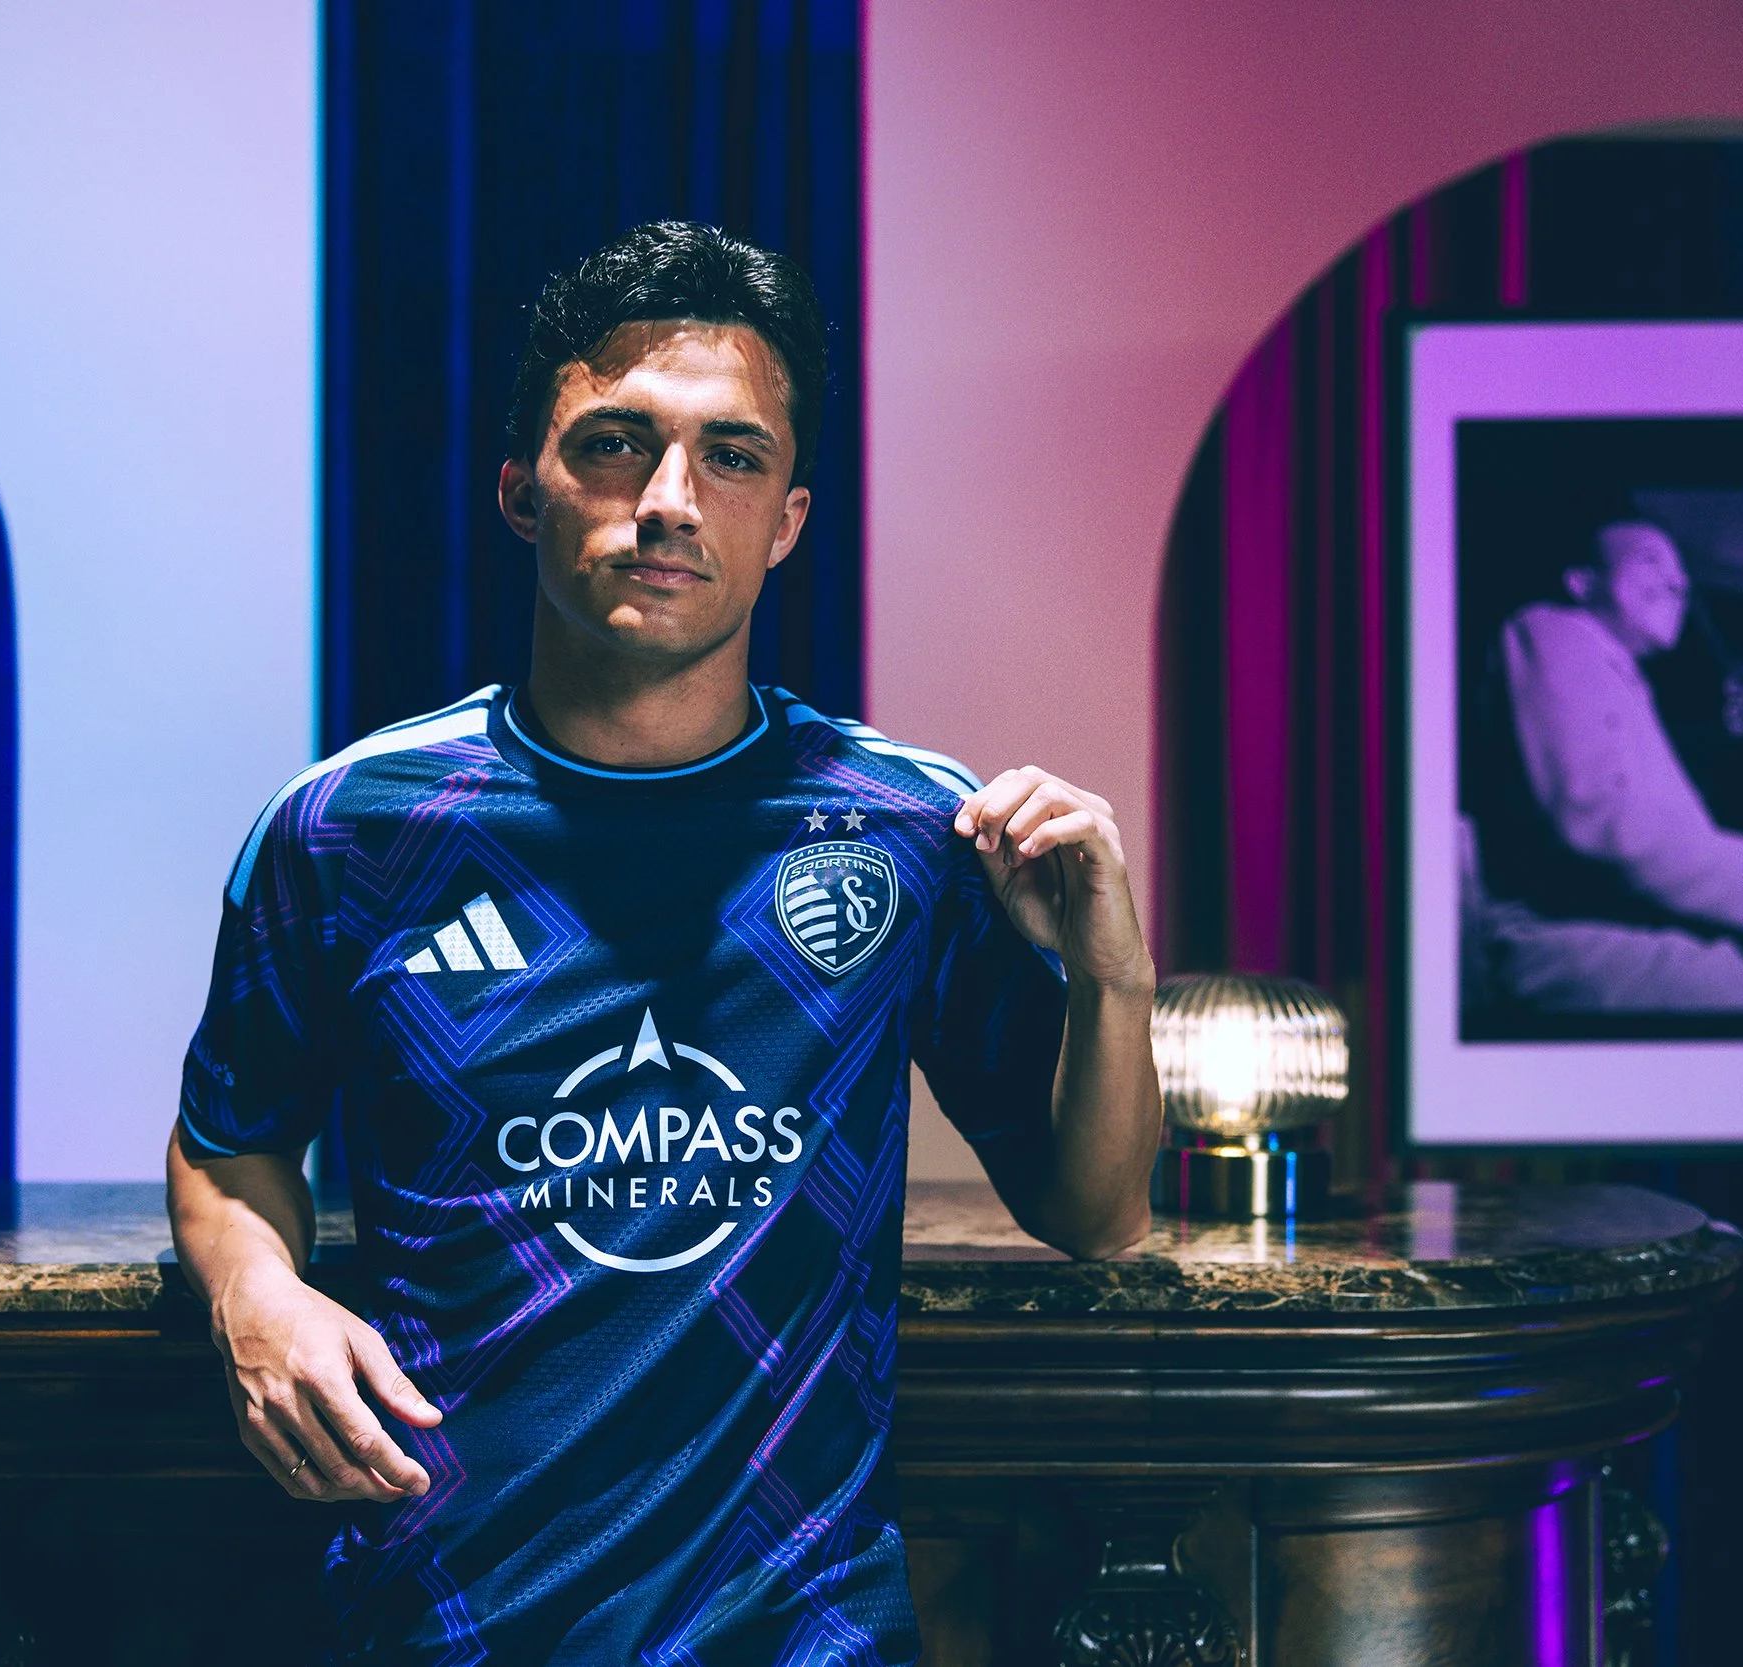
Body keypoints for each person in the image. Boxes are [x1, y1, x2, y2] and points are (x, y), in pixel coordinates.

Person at [165, 221, 1161, 1663]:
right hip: (445, 1616)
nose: (671, 502)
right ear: (522, 490)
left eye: (732, 457)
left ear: (790, 518)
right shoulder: (351, 829)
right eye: (616, 446)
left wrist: (1112, 975)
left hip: (804, 1625)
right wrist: (257, 1291)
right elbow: (225, 1139)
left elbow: (1097, 1212)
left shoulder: (905, 829)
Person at [1467, 519, 1743, 1013]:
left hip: (1632, 926)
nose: (1678, 582)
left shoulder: (1615, 668)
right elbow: (1605, 824)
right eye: (1650, 560)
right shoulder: (1555, 631)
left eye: (1681, 572)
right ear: (1582, 582)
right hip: (1568, 940)